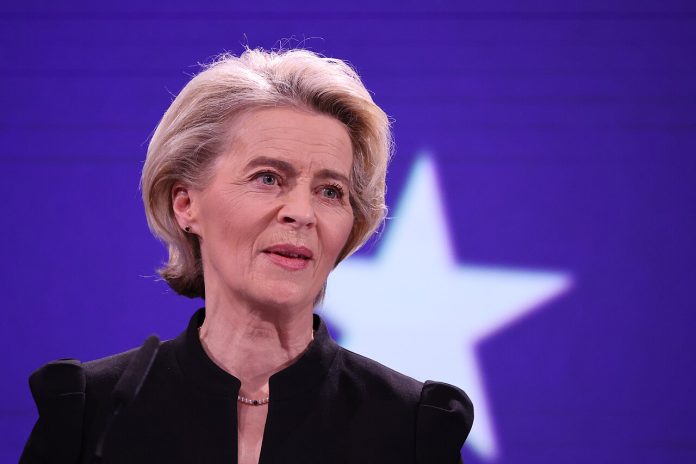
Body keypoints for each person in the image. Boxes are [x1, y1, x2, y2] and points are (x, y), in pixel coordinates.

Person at [20, 48, 473, 464]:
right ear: (186, 204)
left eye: (330, 191)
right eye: (268, 178)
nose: (302, 213)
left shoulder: (410, 426)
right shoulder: (91, 412)